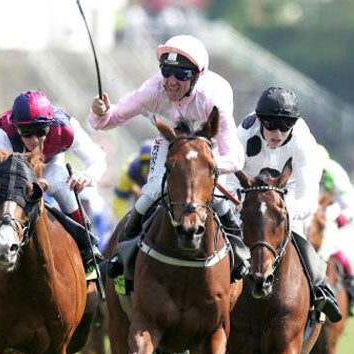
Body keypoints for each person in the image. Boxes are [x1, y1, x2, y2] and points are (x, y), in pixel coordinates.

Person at [89, 34, 250, 281]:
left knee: (214, 198)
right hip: (170, 141)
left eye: (182, 75)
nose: (172, 82)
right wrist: (99, 112)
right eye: (166, 71)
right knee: (153, 191)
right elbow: (110, 119)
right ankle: (123, 253)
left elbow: (235, 157)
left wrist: (201, 167)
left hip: (208, 148)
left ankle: (240, 255)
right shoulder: (152, 90)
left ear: (196, 76)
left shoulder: (212, 98)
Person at [226, 86, 342, 322]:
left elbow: (308, 198)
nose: (278, 133)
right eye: (271, 126)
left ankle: (320, 287)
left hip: (287, 196)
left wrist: (281, 213)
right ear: (259, 120)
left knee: (299, 235)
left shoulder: (304, 143)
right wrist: (241, 208)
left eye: (285, 127)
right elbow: (227, 181)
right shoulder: (243, 135)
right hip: (248, 195)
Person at [0, 90, 108, 280]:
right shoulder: (3, 135)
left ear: (51, 125)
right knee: (4, 197)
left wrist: (86, 176)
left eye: (41, 131)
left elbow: (98, 159)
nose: (35, 140)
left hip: (50, 164)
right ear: (16, 128)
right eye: (27, 133)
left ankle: (89, 249)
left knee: (62, 185)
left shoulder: (66, 127)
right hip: (11, 169)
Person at [316, 144, 354, 310]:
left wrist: (343, 216)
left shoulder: (335, 173)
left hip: (337, 219)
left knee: (342, 251)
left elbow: (349, 201)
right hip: (316, 218)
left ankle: (350, 286)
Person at [112, 139, 152, 221]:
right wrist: (124, 221)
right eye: (145, 166)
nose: (147, 171)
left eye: (151, 166)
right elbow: (120, 202)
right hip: (131, 184)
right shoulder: (129, 171)